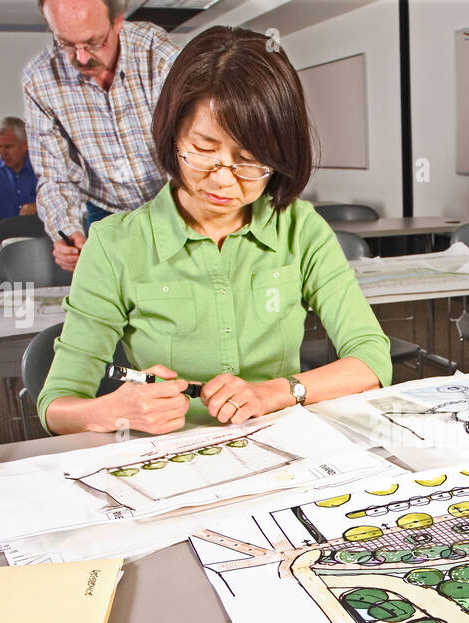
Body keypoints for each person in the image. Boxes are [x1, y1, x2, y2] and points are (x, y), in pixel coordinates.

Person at [37, 26, 392, 436]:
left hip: (283, 448)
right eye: (203, 150)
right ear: (173, 136)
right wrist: (117, 410)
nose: (223, 180)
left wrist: (276, 392)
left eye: (249, 160)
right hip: (169, 458)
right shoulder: (116, 243)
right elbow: (56, 405)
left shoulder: (300, 228)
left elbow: (372, 359)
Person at [22, 0, 178, 271]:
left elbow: (194, 148)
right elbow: (55, 175)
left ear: (117, 21)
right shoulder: (40, 80)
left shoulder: (159, 56)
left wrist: (178, 220)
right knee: (116, 298)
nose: (81, 58)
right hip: (107, 209)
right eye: (66, 44)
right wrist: (66, 231)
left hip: (174, 199)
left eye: (93, 42)